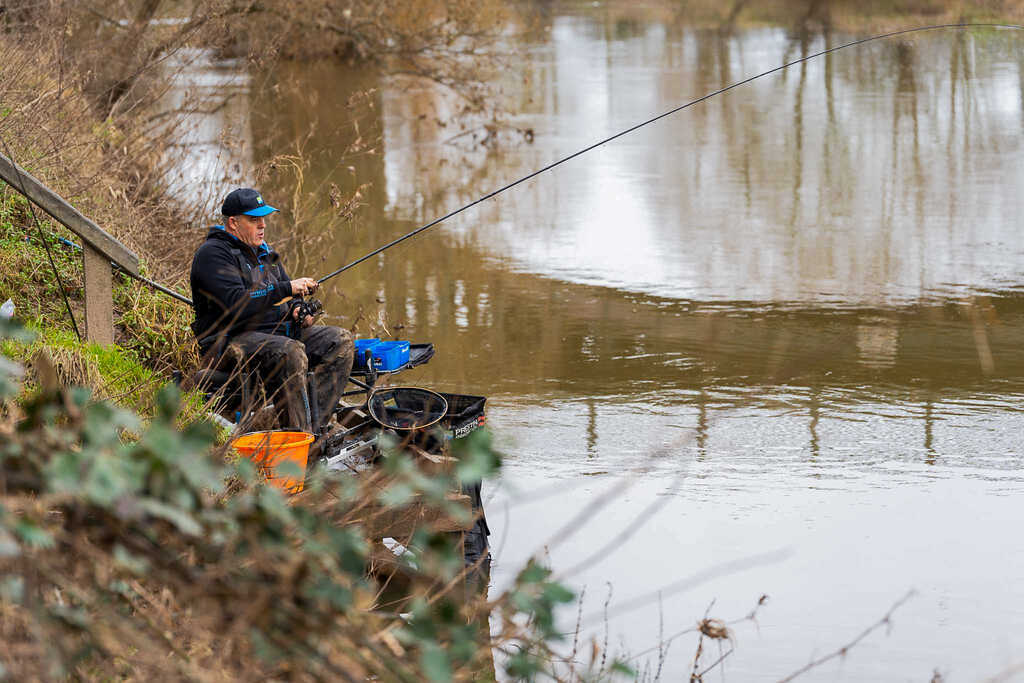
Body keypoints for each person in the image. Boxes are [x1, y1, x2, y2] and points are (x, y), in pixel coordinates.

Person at [190, 188, 353, 432]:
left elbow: (285, 296)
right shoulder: (213, 254)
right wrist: (287, 288)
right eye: (254, 220)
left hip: (274, 334)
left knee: (340, 341)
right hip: (229, 342)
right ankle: (295, 441)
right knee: (290, 352)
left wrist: (298, 310)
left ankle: (314, 432)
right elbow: (237, 303)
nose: (262, 225)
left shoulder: (266, 253)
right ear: (233, 223)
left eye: (263, 219)